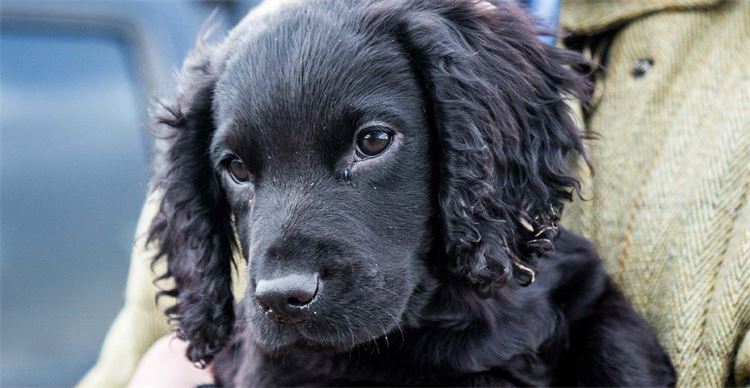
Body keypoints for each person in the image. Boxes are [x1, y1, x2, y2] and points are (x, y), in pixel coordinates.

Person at [79, 0, 750, 386]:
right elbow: (149, 361)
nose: (278, 277)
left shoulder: (725, 49)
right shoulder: (265, 38)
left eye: (371, 143)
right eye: (241, 170)